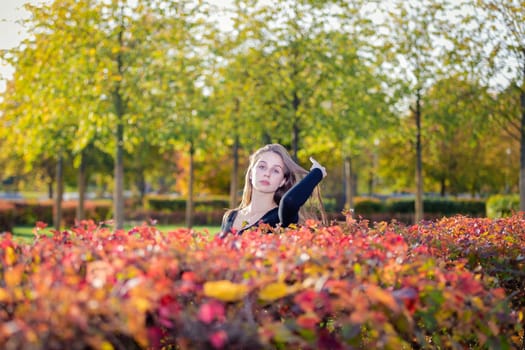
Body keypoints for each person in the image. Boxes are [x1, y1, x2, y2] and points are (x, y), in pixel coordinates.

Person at [219, 144, 327, 237]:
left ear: (282, 181)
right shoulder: (230, 216)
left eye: (275, 170)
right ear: (251, 173)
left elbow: (290, 201)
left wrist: (317, 173)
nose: (267, 173)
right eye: (262, 167)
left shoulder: (281, 217)